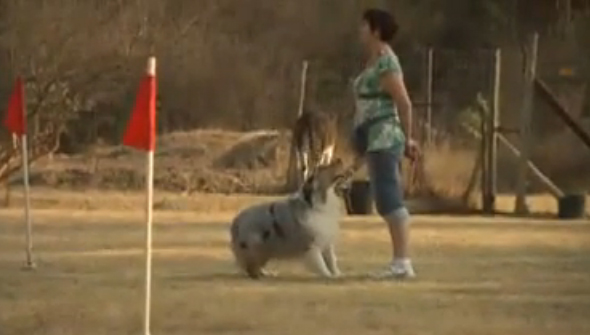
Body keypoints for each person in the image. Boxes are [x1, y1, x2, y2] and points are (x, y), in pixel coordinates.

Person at [351, 8, 418, 279]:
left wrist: (407, 138)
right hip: (372, 139)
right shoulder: (373, 62)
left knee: (389, 199)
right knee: (383, 199)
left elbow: (403, 102)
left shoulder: (387, 63)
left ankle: (402, 262)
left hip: (385, 137)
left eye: (364, 26)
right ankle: (399, 261)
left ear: (376, 30)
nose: (360, 30)